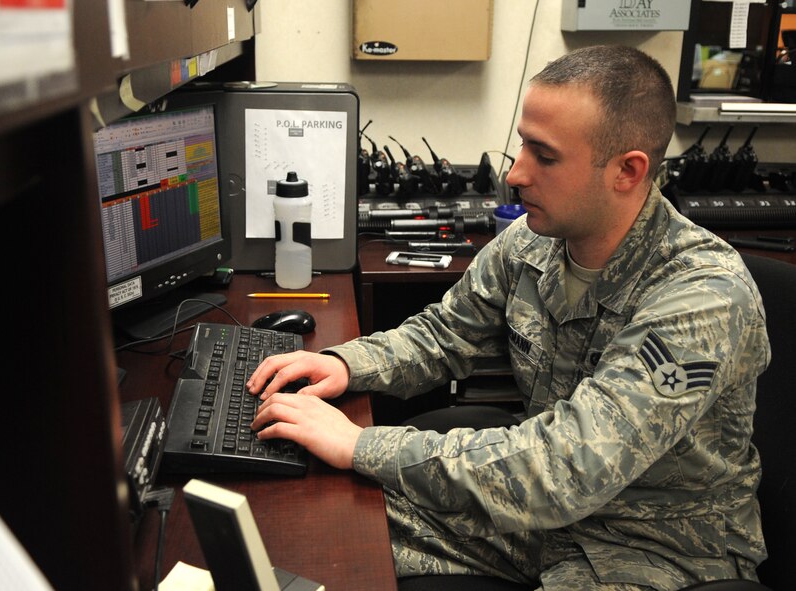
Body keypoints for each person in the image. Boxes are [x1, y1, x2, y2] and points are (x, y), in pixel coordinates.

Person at [247, 45, 770, 590]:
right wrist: (345, 364)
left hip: (657, 550)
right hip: (540, 520)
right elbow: (444, 336)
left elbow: (565, 468)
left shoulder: (704, 297)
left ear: (627, 170)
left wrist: (359, 445)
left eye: (544, 156)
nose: (515, 173)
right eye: (522, 144)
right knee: (320, 532)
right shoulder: (530, 243)